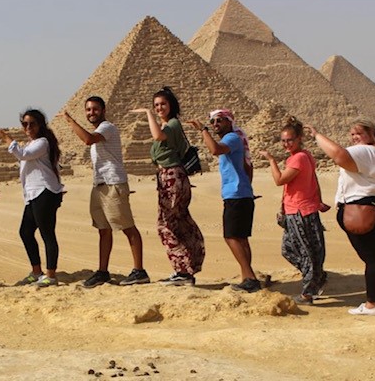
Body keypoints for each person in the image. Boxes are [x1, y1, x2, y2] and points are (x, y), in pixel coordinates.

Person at [306, 119, 375, 315]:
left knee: (373, 259)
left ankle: (371, 305)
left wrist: (317, 135)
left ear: (372, 133)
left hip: (362, 211)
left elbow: (339, 155)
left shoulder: (365, 151)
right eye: (351, 134)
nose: (354, 137)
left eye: (358, 133)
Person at [59, 96, 149, 287]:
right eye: (88, 110)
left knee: (127, 227)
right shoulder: (99, 130)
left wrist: (70, 120)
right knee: (103, 230)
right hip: (99, 185)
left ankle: (139, 270)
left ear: (104, 110)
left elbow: (88, 140)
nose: (91, 113)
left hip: (113, 183)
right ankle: (102, 272)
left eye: (95, 109)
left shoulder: (107, 127)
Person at [130, 87, 205, 285]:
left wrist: (147, 113)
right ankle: (184, 269)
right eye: (155, 106)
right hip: (168, 177)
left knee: (167, 224)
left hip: (172, 177)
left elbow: (158, 137)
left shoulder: (171, 125)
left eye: (162, 104)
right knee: (175, 222)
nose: (159, 108)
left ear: (171, 105)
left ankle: (183, 270)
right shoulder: (168, 125)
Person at [189, 109, 261, 293]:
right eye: (212, 122)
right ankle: (247, 277)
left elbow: (215, 150)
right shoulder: (235, 141)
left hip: (235, 195)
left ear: (229, 122)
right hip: (242, 194)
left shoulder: (231, 138)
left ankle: (250, 276)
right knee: (241, 238)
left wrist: (203, 130)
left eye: (219, 120)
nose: (215, 125)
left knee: (230, 237)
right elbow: (248, 167)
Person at [0, 109, 64, 287]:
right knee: (25, 232)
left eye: (32, 123)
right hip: (33, 195)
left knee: (47, 234)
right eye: (25, 124)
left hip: (44, 192)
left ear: (40, 125)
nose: (28, 127)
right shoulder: (32, 144)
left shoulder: (43, 143)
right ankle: (36, 271)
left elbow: (22, 154)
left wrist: (5, 137)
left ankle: (51, 275)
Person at [259, 116, 327, 304]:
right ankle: (317, 277)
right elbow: (312, 181)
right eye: (283, 140)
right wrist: (319, 201)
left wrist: (271, 160)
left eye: (290, 140)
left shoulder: (299, 158)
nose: (286, 144)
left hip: (301, 212)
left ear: (299, 139)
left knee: (307, 252)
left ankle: (308, 292)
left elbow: (279, 180)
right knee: (288, 250)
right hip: (295, 210)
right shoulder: (302, 157)